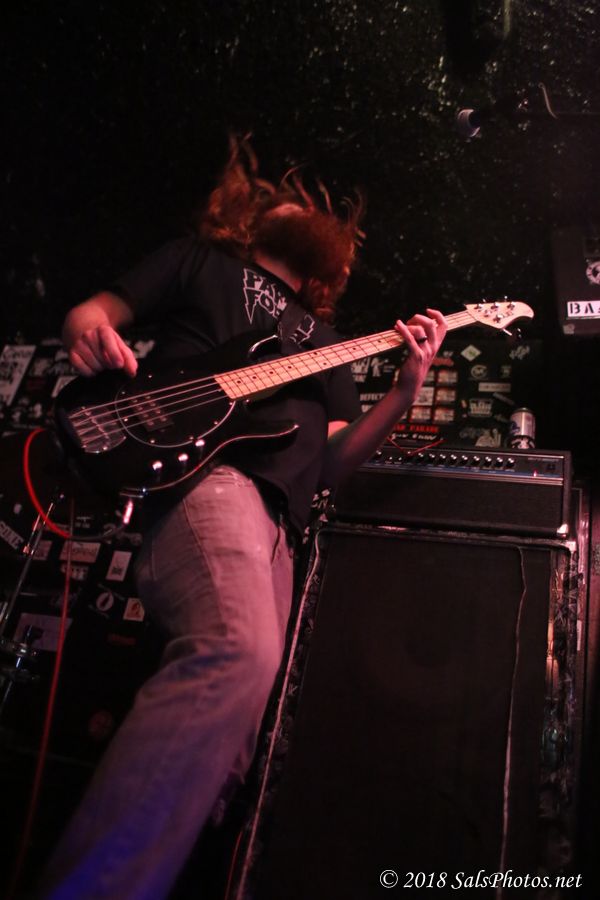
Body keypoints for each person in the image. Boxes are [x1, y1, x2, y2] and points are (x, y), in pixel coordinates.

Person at [42, 137, 447, 899]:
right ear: (250, 220)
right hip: (213, 483)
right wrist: (85, 332)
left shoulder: (330, 344)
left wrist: (403, 392)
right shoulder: (200, 262)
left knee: (233, 750)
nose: (303, 202)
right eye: (284, 198)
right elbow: (93, 312)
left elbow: (331, 461)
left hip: (283, 531)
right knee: (236, 650)